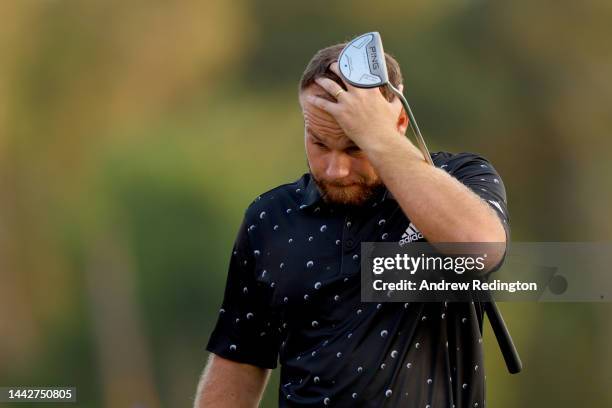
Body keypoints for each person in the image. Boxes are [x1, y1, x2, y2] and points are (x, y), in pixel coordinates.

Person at [193, 42, 509, 408]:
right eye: (319, 143)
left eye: (355, 147)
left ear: (399, 123)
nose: (335, 170)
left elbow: (480, 247)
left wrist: (380, 138)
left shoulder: (462, 178)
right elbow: (238, 361)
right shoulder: (270, 217)